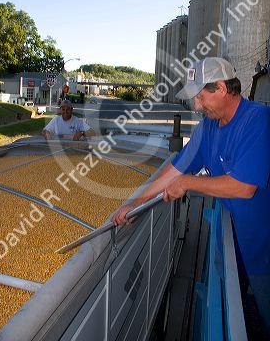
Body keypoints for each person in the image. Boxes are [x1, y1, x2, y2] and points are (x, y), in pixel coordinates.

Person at [113, 57, 270, 335]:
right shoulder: (208, 128)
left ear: (221, 88)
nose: (197, 106)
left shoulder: (259, 120)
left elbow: (244, 187)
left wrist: (189, 183)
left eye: (201, 96)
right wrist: (134, 203)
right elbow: (173, 172)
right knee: (238, 308)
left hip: (262, 252)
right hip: (229, 244)